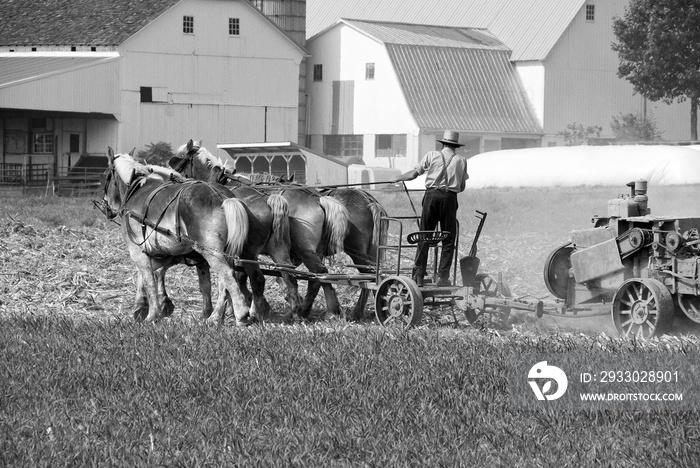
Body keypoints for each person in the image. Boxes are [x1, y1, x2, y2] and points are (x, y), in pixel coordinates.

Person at [390, 130, 469, 287]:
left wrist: (398, 178)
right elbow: (461, 186)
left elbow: (414, 174)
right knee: (448, 238)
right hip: (449, 200)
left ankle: (418, 274)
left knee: (424, 235)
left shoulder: (432, 155)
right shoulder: (461, 160)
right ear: (455, 146)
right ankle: (443, 277)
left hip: (431, 198)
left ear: (443, 143)